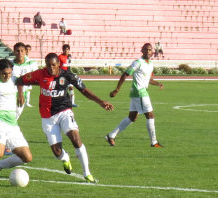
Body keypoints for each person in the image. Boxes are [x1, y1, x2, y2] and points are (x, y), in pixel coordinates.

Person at [17, 53, 114, 183]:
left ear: (58, 64)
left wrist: (100, 101)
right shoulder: (40, 73)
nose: (51, 68)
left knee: (75, 138)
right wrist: (20, 94)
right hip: (47, 117)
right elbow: (20, 80)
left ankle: (87, 172)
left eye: (53, 65)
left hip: (64, 111)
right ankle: (65, 157)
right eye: (48, 65)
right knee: (57, 152)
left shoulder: (68, 75)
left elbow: (84, 90)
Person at [106, 43, 164, 148]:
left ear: (152, 52)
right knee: (150, 115)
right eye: (146, 49)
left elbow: (148, 79)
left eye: (150, 50)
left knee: (132, 117)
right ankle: (154, 142)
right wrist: (117, 90)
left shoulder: (150, 64)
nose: (148, 51)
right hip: (139, 92)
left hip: (137, 93)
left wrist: (158, 83)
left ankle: (111, 136)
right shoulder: (137, 63)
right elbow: (125, 74)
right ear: (142, 50)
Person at [11, 42, 39, 117]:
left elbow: (37, 78)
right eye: (17, 51)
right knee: (9, 118)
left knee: (15, 117)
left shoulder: (31, 63)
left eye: (22, 51)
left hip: (23, 94)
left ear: (25, 52)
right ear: (14, 52)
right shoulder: (10, 64)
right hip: (10, 93)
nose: (20, 53)